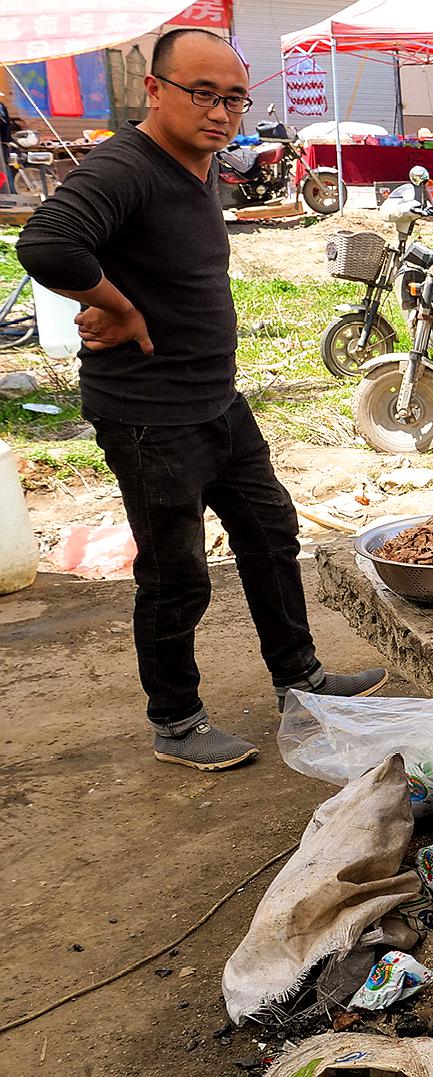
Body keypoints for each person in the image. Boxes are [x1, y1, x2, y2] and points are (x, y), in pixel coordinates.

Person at [17, 28, 385, 772]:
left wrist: (127, 297)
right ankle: (177, 720)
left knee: (272, 533)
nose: (221, 113)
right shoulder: (127, 166)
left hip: (215, 399)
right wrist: (116, 306)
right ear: (154, 90)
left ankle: (301, 681)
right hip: (151, 413)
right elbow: (48, 242)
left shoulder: (196, 167)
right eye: (203, 93)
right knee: (176, 572)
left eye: (235, 99)